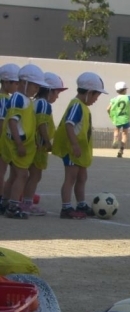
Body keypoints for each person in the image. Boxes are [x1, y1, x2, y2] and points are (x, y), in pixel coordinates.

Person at [51, 72, 108, 220]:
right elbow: (69, 125)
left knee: (82, 177)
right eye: (96, 95)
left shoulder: (82, 106)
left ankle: (81, 204)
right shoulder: (77, 105)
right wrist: (74, 144)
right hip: (72, 150)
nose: (97, 99)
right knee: (70, 178)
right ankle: (66, 207)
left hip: (79, 151)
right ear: (89, 92)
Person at [1, 64, 49, 219]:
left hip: (22, 143)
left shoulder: (25, 99)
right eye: (34, 85)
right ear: (24, 83)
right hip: (16, 144)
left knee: (15, 176)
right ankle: (13, 207)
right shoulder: (18, 99)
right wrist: (20, 144)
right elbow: (12, 122)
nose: (36, 89)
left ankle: (5, 202)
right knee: (22, 175)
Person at [21, 73, 68, 216]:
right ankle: (27, 204)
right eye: (57, 92)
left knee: (30, 175)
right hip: (37, 146)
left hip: (31, 143)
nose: (57, 96)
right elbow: (42, 124)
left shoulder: (35, 102)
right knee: (35, 175)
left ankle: (21, 200)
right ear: (49, 90)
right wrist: (47, 142)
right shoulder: (44, 104)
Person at [0, 63, 20, 213]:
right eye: (15, 83)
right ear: (6, 82)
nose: (17, 85)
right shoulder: (4, 100)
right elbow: (2, 122)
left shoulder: (7, 99)